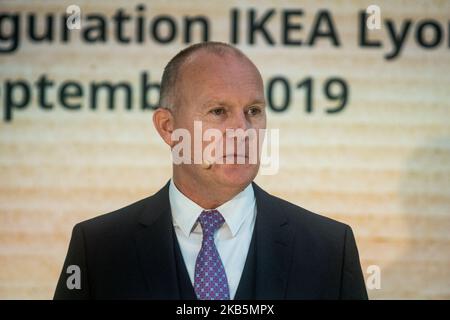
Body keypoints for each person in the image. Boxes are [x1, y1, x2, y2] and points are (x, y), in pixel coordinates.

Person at [54, 42, 368, 300]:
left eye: (253, 111)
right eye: (218, 111)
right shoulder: (99, 250)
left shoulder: (329, 250)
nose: (242, 130)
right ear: (168, 127)